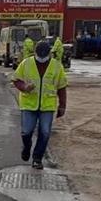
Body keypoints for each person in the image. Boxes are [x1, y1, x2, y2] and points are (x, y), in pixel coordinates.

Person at [9, 40, 67, 170]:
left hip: (48, 105)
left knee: (45, 132)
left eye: (44, 56)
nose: (42, 59)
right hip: (29, 104)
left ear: (49, 54)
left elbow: (62, 87)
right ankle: (27, 146)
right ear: (35, 53)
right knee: (26, 131)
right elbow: (16, 79)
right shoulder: (27, 63)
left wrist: (62, 106)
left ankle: (37, 159)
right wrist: (24, 87)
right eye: (39, 56)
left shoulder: (57, 66)